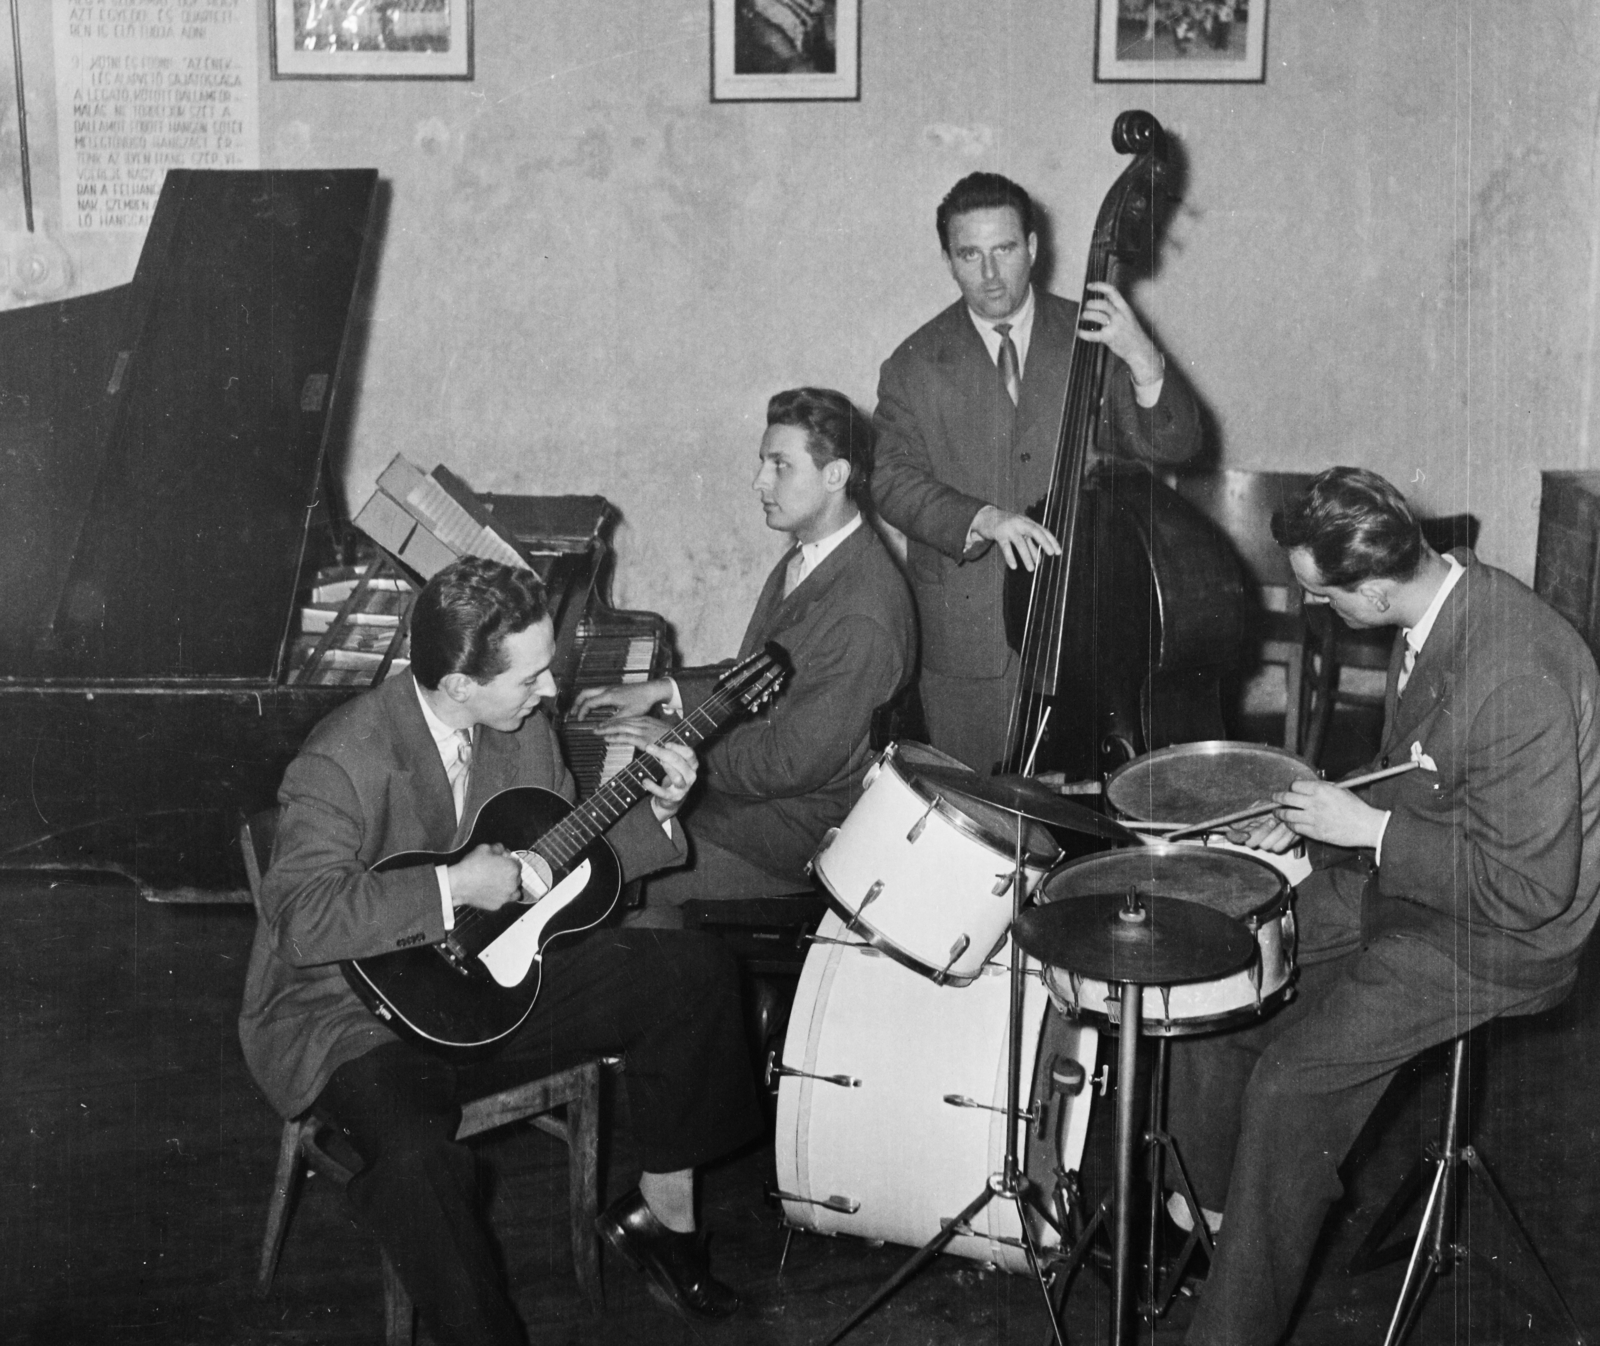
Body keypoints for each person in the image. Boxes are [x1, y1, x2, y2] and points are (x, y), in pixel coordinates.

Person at [238, 558, 762, 1345]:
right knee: (418, 1164)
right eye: (530, 679)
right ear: (457, 686)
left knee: (694, 974)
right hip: (358, 1015)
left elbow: (560, 870)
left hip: (494, 988)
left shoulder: (522, 731)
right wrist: (452, 888)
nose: (551, 694)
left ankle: (664, 1221)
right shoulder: (342, 755)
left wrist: (656, 809)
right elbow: (302, 921)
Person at [1164, 467, 1600, 1346]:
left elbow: (1528, 889)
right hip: (1417, 882)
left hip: (1498, 935)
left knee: (1291, 1088)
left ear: (1372, 586)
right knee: (1218, 977)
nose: (1318, 612)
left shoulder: (1519, 673)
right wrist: (1318, 836)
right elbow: (1425, 780)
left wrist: (1367, 830)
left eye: (1322, 596)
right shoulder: (1440, 605)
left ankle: (1231, 1330)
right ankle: (1211, 1231)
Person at [872, 170, 1201, 773]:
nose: (990, 273)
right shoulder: (913, 363)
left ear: (1032, 246)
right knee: (975, 820)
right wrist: (981, 518)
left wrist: (1143, 357)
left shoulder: (1093, 335)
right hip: (968, 641)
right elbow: (890, 480)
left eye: (1003, 250)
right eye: (970, 254)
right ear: (948, 260)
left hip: (1083, 623)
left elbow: (1175, 444)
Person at [572, 387, 915, 920]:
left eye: (780, 466)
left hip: (787, 832)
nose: (760, 481)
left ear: (836, 475)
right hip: (756, 799)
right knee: (613, 820)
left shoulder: (863, 615)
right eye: (763, 463)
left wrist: (673, 738)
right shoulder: (812, 554)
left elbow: (785, 765)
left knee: (613, 868)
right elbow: (759, 672)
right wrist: (664, 689)